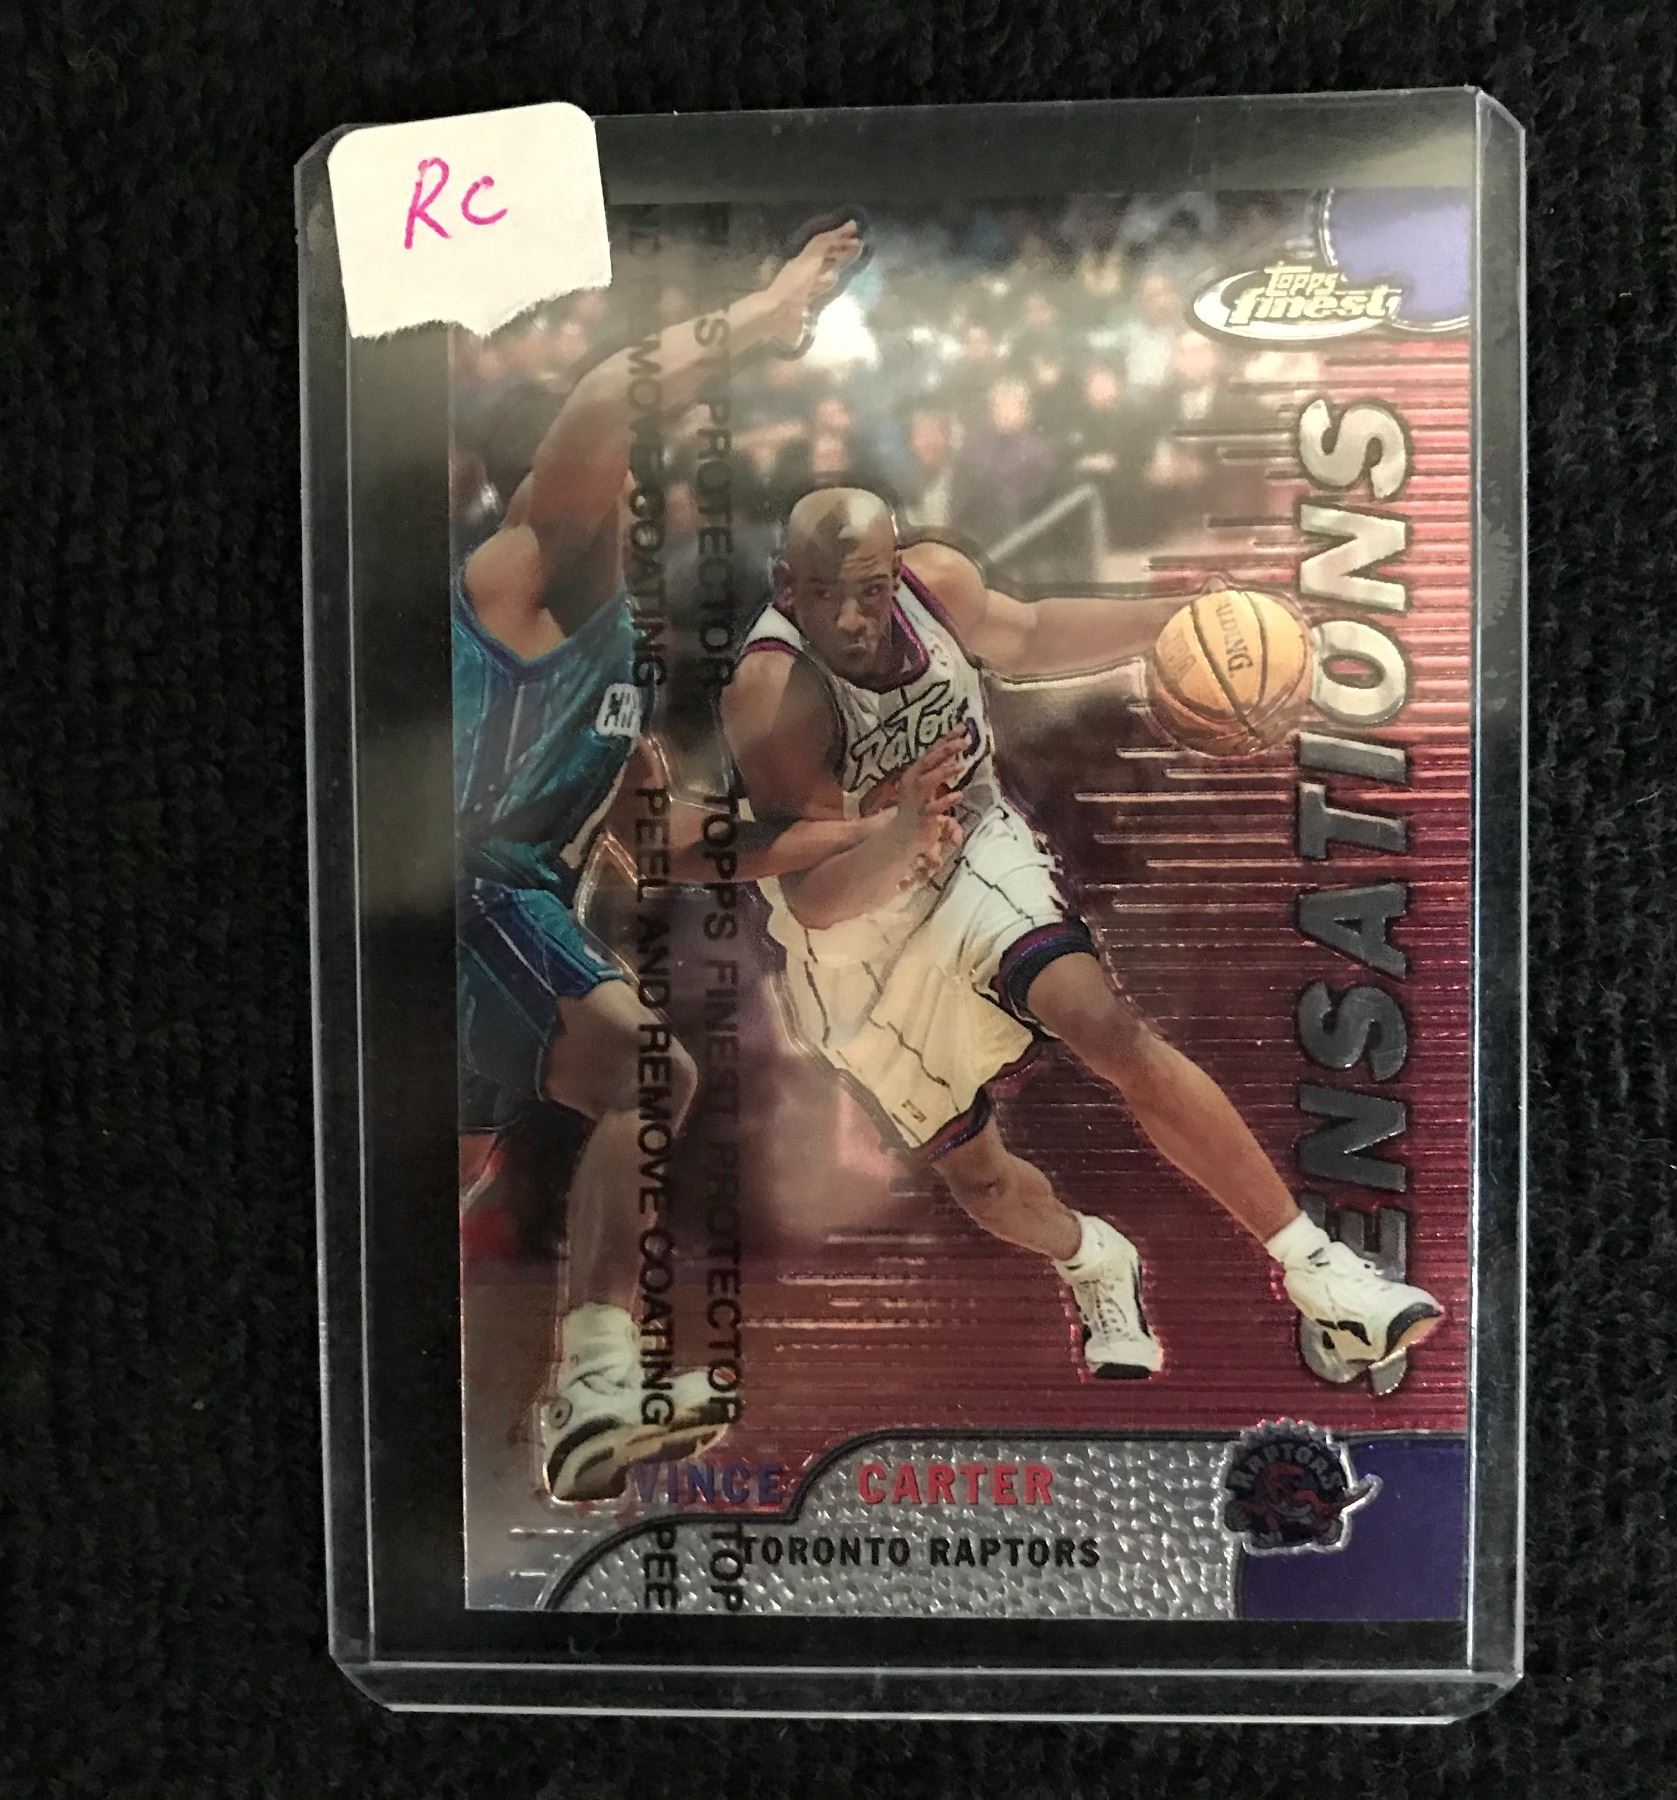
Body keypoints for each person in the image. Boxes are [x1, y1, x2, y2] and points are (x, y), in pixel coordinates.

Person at [720, 487, 1442, 1381]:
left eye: (870, 590)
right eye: (825, 595)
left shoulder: (939, 587)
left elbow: (1026, 636)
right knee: (983, 1183)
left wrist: (1176, 618)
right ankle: (1094, 1258)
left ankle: (1320, 1271)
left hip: (970, 853)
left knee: (1103, 1023)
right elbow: (815, 895)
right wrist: (897, 835)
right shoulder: (771, 692)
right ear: (788, 586)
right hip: (854, 940)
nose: (851, 619)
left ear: (897, 571)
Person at [454, 224, 953, 1500]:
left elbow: (664, 844)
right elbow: (604, 391)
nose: (651, 484)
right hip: (465, 899)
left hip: (500, 919)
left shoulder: (604, 648)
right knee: (650, 1074)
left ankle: (522, 1422)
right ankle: (596, 1379)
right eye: (631, 467)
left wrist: (868, 831)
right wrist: (769, 310)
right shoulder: (530, 564)